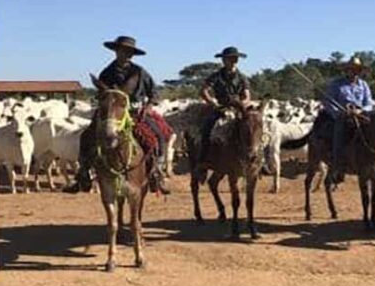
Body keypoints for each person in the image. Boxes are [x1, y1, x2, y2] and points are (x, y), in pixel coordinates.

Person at [64, 36, 170, 194]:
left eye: (128, 52)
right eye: (122, 51)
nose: (125, 54)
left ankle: (157, 173)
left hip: (135, 112)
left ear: (132, 54)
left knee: (159, 135)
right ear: (116, 51)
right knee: (86, 136)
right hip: (111, 113)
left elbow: (154, 93)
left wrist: (148, 106)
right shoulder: (106, 73)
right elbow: (101, 94)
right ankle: (83, 174)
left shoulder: (140, 73)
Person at [196, 46, 251, 179]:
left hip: (238, 108)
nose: (233, 61)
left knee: (256, 128)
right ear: (224, 60)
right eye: (230, 58)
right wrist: (214, 104)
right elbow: (203, 91)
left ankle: (260, 161)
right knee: (207, 128)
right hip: (221, 107)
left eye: (235, 58)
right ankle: (203, 161)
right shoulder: (216, 76)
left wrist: (242, 104)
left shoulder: (242, 77)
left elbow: (247, 95)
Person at [324, 57, 375, 184]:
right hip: (343, 116)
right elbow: (328, 102)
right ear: (346, 70)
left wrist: (361, 110)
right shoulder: (336, 84)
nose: (353, 72)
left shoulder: (363, 85)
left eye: (356, 70)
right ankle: (338, 166)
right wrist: (339, 112)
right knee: (339, 133)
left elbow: (369, 102)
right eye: (350, 69)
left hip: (361, 115)